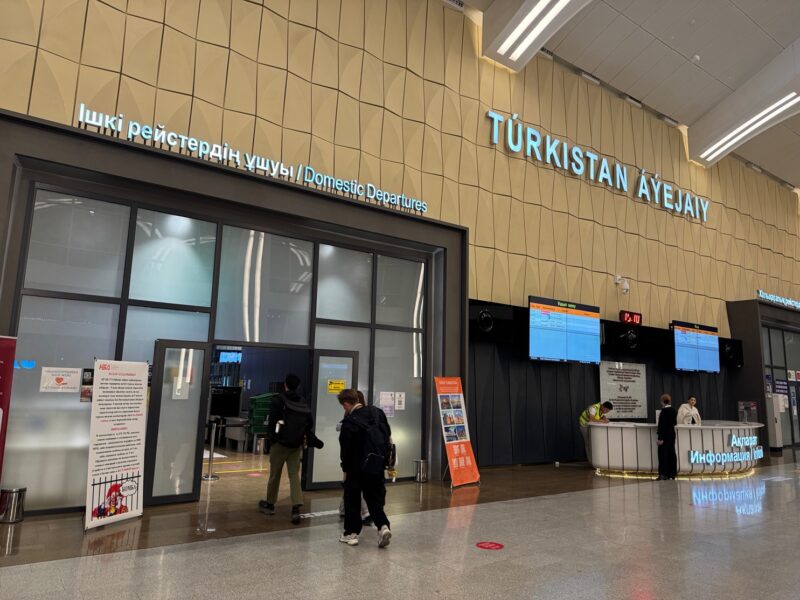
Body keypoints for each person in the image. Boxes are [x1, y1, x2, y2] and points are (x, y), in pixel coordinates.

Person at [259, 374, 319, 524]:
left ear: (285, 384)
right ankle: (296, 507)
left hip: (280, 444)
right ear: (297, 386)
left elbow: (272, 422)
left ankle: (270, 504)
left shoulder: (278, 400)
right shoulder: (303, 402)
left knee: (275, 474)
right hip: (296, 445)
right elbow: (309, 423)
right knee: (294, 475)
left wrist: (272, 439)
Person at [337, 388, 392, 548]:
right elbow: (387, 434)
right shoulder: (377, 412)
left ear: (346, 404)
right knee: (373, 498)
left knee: (352, 499)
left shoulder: (348, 422)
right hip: (376, 464)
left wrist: (345, 470)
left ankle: (351, 534)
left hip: (356, 468)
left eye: (343, 405)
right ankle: (383, 527)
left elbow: (345, 452)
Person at [656, 393, 677, 480]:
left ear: (662, 401)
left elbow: (662, 426)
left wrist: (660, 438)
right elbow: (674, 423)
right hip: (672, 435)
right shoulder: (674, 410)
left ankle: (663, 474)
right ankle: (672, 474)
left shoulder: (664, 411)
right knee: (671, 454)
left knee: (663, 455)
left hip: (664, 436)